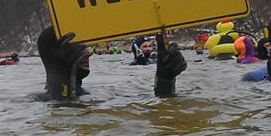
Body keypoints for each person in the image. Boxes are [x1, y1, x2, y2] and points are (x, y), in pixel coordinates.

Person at [37, 26, 186, 100]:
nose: (89, 53)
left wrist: (165, 79)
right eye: (77, 48)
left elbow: (153, 106)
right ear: (56, 57)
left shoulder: (97, 95)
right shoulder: (36, 102)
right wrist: (64, 74)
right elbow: (62, 109)